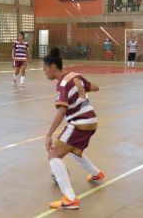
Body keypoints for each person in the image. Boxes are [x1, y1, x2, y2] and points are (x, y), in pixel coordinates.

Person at [43, 47, 105, 209]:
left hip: (79, 123)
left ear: (52, 67)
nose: (44, 72)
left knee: (53, 155)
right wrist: (97, 88)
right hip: (91, 121)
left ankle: (70, 198)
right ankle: (96, 173)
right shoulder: (74, 75)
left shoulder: (62, 84)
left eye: (44, 69)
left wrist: (48, 134)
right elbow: (92, 86)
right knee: (72, 150)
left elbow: (62, 111)